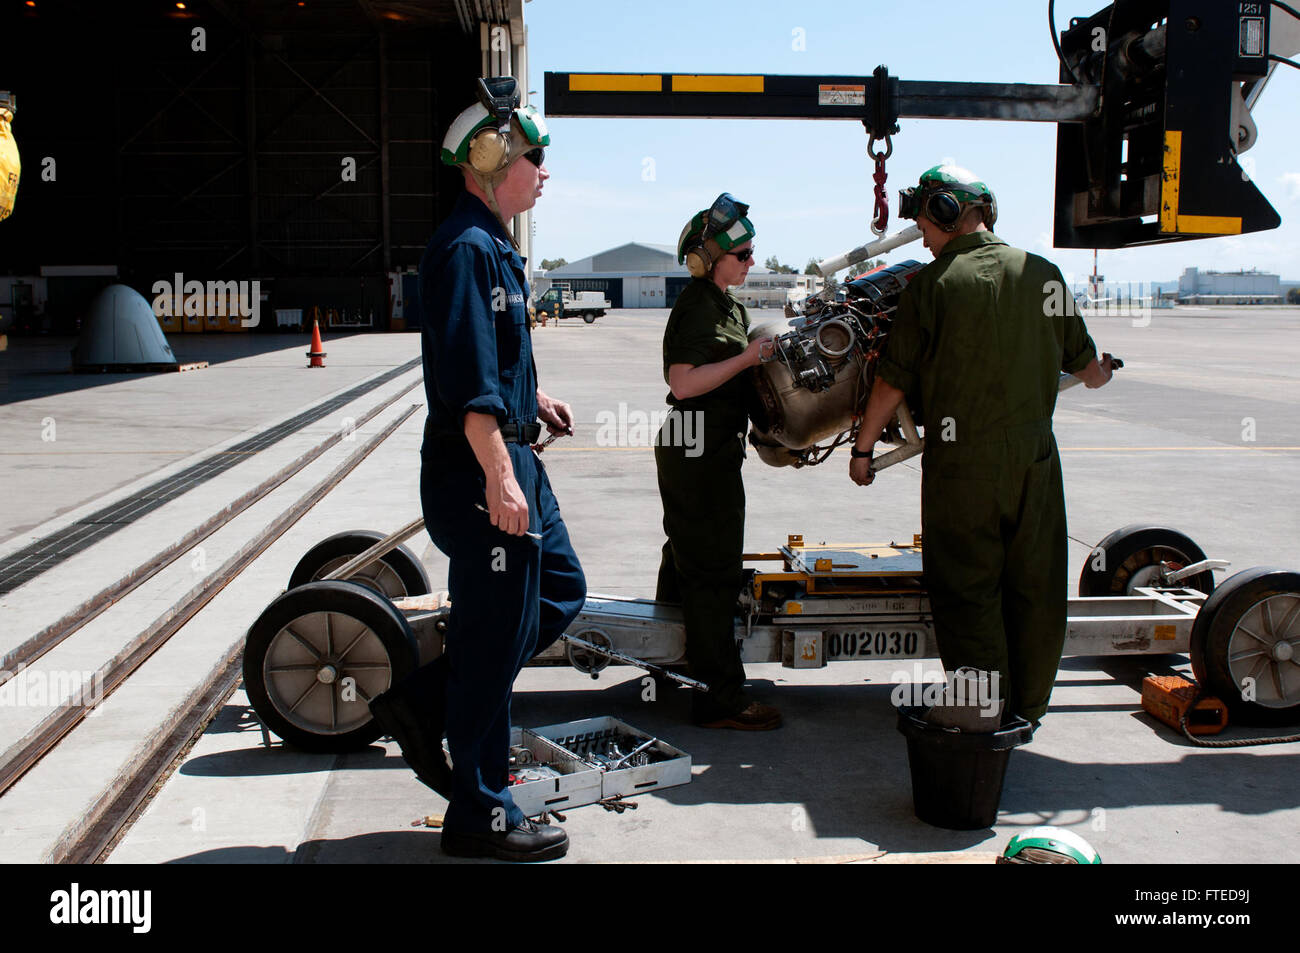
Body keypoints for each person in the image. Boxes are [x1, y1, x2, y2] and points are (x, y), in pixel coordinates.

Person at [369, 77, 586, 862]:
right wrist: (498, 474)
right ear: (492, 158)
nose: (543, 172)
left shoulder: (494, 246)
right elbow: (463, 381)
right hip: (481, 471)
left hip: (514, 453)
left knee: (559, 595)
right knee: (496, 640)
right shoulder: (465, 249)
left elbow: (493, 364)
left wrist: (536, 399)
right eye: (533, 157)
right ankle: (481, 814)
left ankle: (429, 700)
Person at [849, 164, 1114, 725]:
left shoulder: (933, 287)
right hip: (1035, 460)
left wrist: (863, 450)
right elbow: (1087, 368)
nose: (921, 232)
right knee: (1036, 586)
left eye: (923, 218)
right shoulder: (1043, 273)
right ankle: (1029, 707)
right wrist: (1101, 372)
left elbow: (891, 381)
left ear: (947, 211)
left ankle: (982, 709)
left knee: (968, 588)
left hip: (962, 463)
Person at [655, 193, 780, 730]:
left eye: (752, 252)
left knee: (687, 554)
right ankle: (720, 700)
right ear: (708, 258)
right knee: (712, 571)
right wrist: (751, 356)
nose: (751, 261)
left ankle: (670, 659)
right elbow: (682, 383)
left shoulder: (729, 304)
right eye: (743, 254)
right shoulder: (698, 303)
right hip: (695, 447)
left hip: (711, 447)